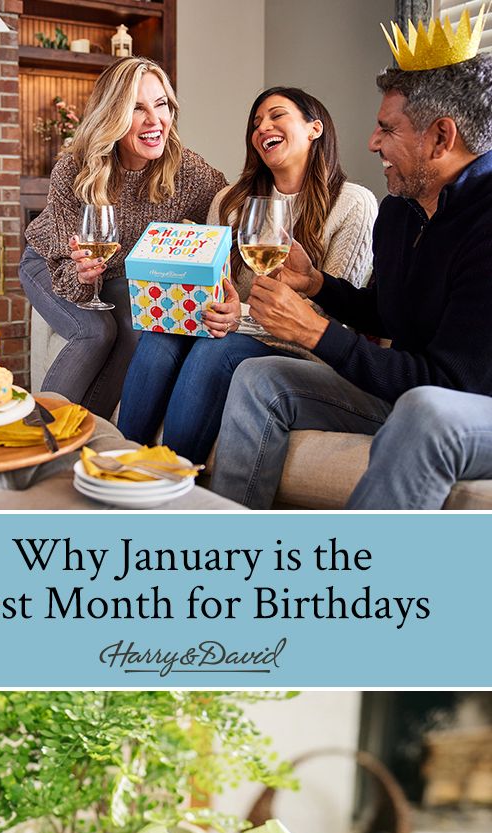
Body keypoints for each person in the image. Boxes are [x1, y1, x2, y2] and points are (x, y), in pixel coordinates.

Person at [210, 38, 492, 510]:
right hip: (416, 390)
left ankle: (363, 578)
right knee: (259, 376)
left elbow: (450, 383)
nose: (372, 142)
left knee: (427, 412)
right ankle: (231, 544)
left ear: (441, 137)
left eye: (388, 129)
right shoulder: (401, 212)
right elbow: (389, 314)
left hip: (466, 401)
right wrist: (319, 285)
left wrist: (316, 331)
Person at [117, 87, 377, 462]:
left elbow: (328, 314)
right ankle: (120, 467)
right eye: (256, 123)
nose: (262, 127)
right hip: (235, 331)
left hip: (300, 346)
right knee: (160, 338)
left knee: (215, 349)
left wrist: (238, 318)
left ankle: (171, 483)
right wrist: (205, 292)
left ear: (314, 128)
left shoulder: (354, 203)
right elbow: (217, 294)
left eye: (276, 115)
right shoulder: (230, 201)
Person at [20, 57, 226, 417]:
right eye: (137, 108)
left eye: (161, 104)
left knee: (134, 327)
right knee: (96, 332)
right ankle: (38, 435)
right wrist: (83, 275)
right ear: (112, 115)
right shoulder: (76, 168)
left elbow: (228, 206)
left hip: (118, 273)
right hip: (51, 263)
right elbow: (68, 270)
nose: (154, 121)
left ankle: (89, 435)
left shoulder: (185, 169)